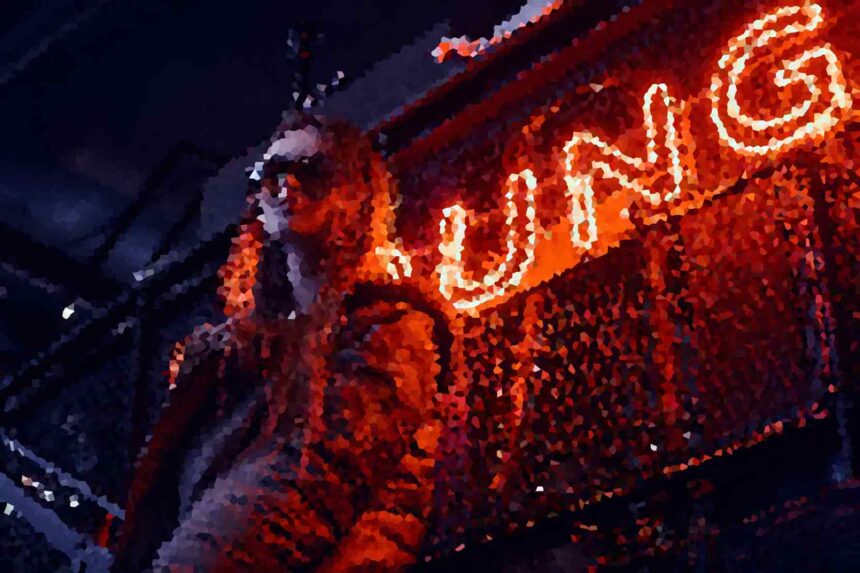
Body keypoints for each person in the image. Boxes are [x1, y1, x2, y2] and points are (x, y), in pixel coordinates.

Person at [112, 113, 451, 572]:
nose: (286, 184)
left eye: (312, 169)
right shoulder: (242, 355)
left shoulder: (390, 327)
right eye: (270, 173)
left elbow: (313, 479)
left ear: (356, 192)